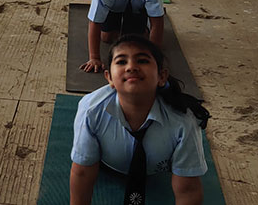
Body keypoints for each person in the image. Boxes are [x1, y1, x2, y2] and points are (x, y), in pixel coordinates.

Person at [70, 34, 210, 205]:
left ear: (162, 76)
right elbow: (82, 172)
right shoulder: (90, 110)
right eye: (121, 61)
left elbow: (188, 188)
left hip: (155, 172)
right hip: (106, 165)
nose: (131, 67)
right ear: (109, 78)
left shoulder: (183, 121)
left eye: (142, 61)